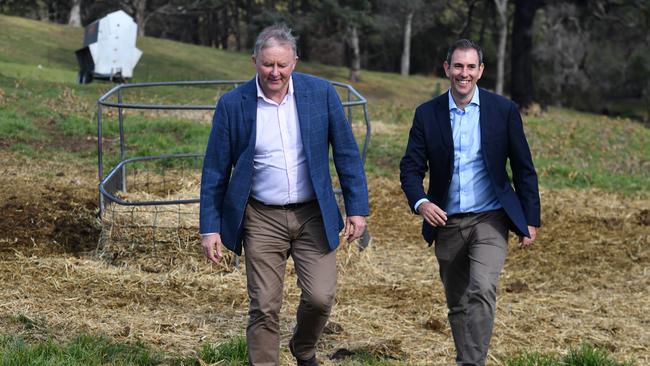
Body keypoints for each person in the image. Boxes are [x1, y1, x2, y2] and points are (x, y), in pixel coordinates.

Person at [199, 24, 369, 366]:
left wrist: (357, 208)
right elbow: (215, 170)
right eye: (267, 64)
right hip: (261, 217)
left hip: (313, 214)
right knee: (264, 305)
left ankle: (304, 349)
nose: (274, 72)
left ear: (295, 62)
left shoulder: (321, 94)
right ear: (254, 61)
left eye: (282, 65)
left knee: (321, 298)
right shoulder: (233, 104)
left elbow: (347, 154)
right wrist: (210, 227)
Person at [399, 39, 540, 366]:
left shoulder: (503, 111)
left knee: (481, 289)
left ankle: (471, 363)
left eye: (471, 67)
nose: (464, 73)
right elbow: (410, 168)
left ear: (481, 71)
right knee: (458, 302)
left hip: (490, 219)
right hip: (446, 222)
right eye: (458, 66)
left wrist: (529, 219)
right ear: (447, 68)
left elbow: (523, 167)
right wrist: (421, 202)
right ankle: (468, 358)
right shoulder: (427, 114)